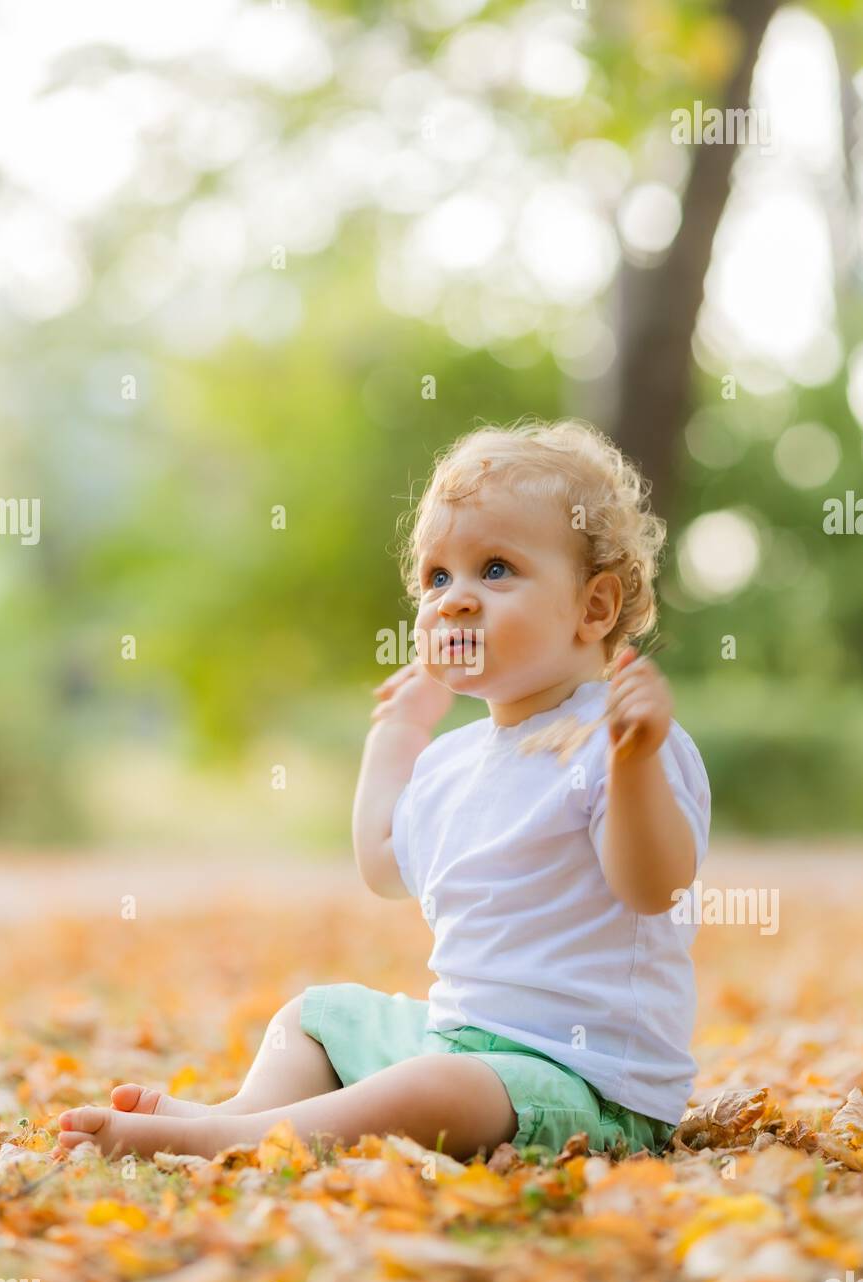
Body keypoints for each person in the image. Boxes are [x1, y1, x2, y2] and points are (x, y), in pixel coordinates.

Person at [57, 418, 710, 1164]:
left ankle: (223, 1139)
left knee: (437, 1090)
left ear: (593, 609)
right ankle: (246, 1113)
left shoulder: (616, 739)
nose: (456, 599)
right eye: (437, 577)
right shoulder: (456, 761)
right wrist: (398, 735)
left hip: (583, 1079)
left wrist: (634, 761)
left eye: (495, 569)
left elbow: (654, 885)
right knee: (313, 1015)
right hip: (455, 1038)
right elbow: (380, 862)